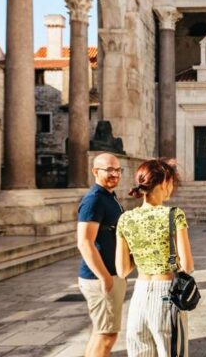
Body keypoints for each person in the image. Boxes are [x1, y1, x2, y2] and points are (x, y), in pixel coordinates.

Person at [115, 158, 195, 356]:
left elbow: (122, 270)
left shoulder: (125, 218)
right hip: (166, 295)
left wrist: (143, 251)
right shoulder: (174, 214)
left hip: (139, 297)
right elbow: (187, 265)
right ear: (165, 181)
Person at [76, 153, 127, 357]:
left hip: (109, 274)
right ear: (96, 171)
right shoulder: (94, 200)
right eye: (109, 169)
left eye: (118, 170)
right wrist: (105, 277)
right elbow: (84, 242)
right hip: (101, 277)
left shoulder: (108, 196)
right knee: (107, 335)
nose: (115, 174)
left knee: (101, 332)